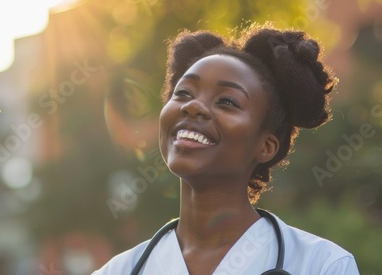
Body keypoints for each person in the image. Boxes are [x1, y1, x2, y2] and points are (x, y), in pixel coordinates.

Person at [93, 23, 360, 274]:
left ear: (265, 146)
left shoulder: (322, 265)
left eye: (227, 102)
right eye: (184, 93)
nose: (192, 106)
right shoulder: (119, 270)